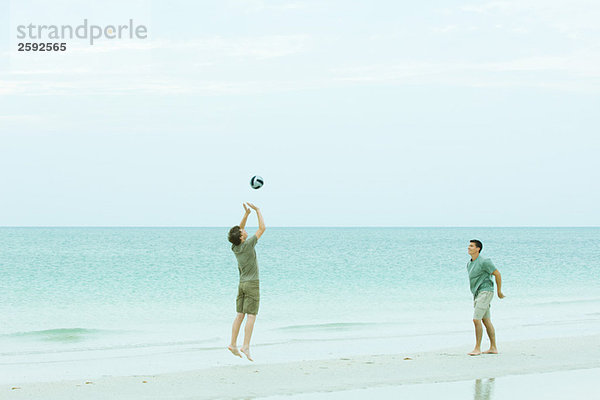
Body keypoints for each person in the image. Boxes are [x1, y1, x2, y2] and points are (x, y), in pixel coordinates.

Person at [227, 202, 266, 361]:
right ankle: (246, 346)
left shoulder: (235, 247)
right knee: (251, 316)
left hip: (242, 284)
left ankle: (232, 344)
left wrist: (246, 215)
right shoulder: (249, 244)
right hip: (252, 284)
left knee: (239, 315)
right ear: (243, 237)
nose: (243, 230)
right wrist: (257, 211)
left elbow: (237, 231)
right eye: (242, 231)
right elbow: (262, 228)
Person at [466, 239, 505, 356]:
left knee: (476, 319)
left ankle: (477, 348)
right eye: (469, 246)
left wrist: (499, 291)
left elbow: (497, 273)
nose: (469, 248)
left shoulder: (485, 261)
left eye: (471, 246)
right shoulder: (469, 263)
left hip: (486, 291)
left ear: (478, 249)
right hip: (477, 293)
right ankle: (493, 347)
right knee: (486, 320)